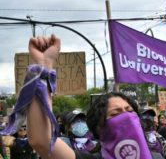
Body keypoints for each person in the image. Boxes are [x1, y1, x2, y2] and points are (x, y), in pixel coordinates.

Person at [1, 35, 152, 159]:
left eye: (129, 110)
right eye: (115, 114)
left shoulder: (158, 156)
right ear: (98, 128)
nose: (126, 116)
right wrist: (43, 65)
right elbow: (41, 140)